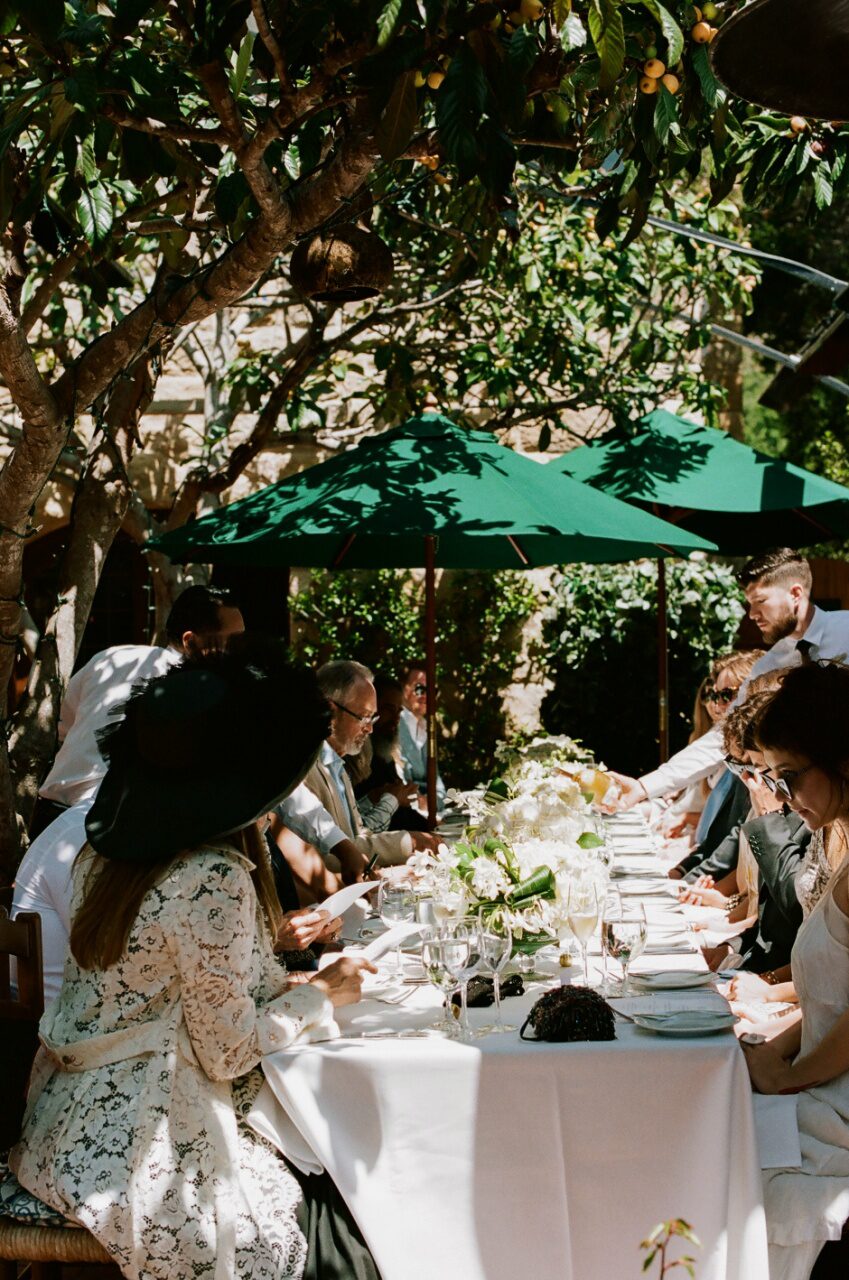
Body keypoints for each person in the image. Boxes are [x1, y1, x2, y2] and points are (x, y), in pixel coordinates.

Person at [10, 636, 379, 1280]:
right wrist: (321, 996)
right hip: (143, 1148)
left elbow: (189, 994)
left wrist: (293, 985)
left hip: (60, 1127)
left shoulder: (109, 854)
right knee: (348, 1220)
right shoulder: (212, 876)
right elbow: (230, 1052)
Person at [740, 663, 849, 1280]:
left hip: (838, 1113)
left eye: (789, 778)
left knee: (712, 1152)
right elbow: (830, 995)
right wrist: (772, 1051)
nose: (780, 798)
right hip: (824, 1091)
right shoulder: (842, 846)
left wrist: (788, 1076)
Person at [609, 548, 849, 812]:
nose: (752, 614)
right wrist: (644, 787)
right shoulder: (767, 668)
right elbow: (724, 736)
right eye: (749, 604)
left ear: (795, 593)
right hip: (808, 807)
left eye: (760, 601)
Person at [34, 583, 244, 827]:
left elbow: (64, 725)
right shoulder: (195, 691)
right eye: (233, 642)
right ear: (190, 641)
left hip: (51, 816)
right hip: (109, 822)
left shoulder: (112, 657)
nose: (240, 652)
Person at [278, 661, 439, 880]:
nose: (370, 728)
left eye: (373, 718)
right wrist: (407, 843)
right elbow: (328, 855)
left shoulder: (338, 765)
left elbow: (358, 835)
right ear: (331, 710)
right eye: (363, 717)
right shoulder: (303, 769)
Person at [347, 675, 429, 833]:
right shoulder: (352, 756)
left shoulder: (383, 753)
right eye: (389, 710)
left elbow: (400, 811)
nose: (395, 719)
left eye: (398, 711)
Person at [398, 661, 446, 812]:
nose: (426, 695)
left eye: (432, 690)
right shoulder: (394, 726)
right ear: (403, 688)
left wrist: (434, 802)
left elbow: (438, 786)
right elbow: (399, 782)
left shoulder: (428, 728)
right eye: (419, 688)